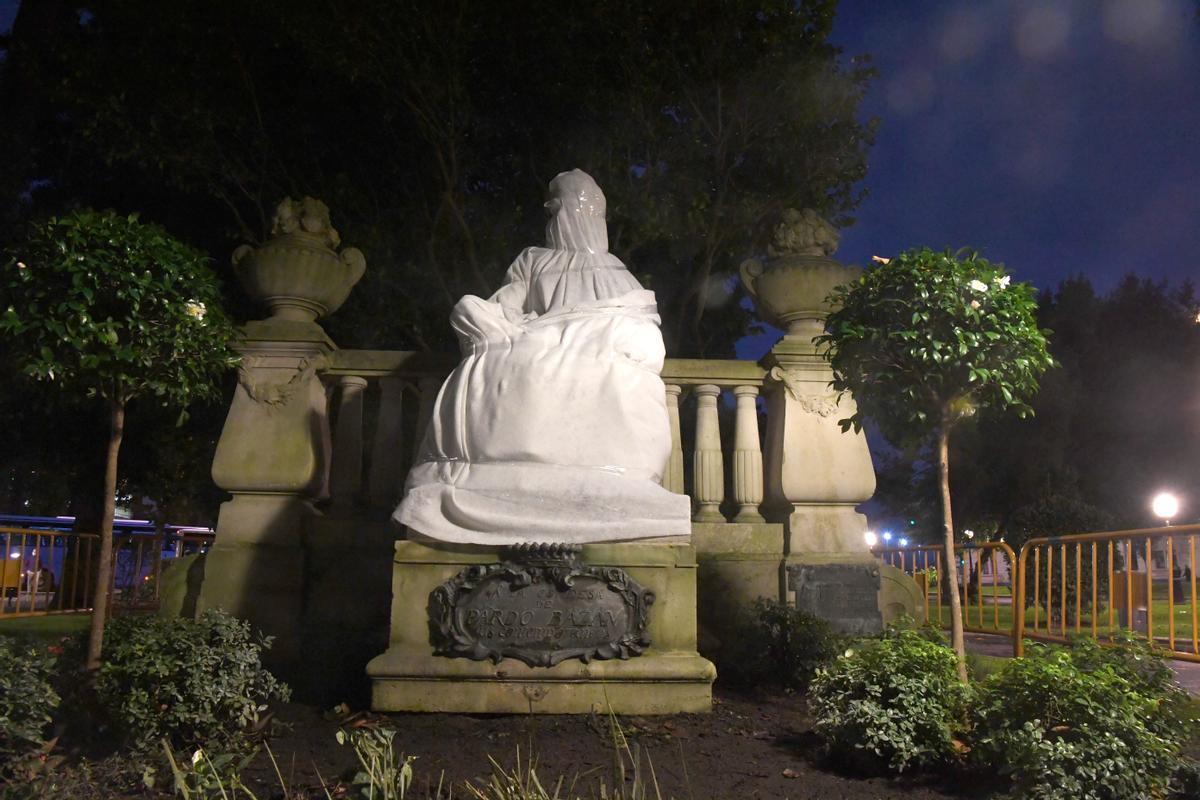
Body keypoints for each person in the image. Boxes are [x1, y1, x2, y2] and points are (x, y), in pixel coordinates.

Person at [395, 169, 691, 544]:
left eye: (563, 209)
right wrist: (509, 321)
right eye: (555, 211)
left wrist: (590, 327)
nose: (560, 219)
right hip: (537, 335)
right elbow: (506, 306)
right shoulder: (533, 260)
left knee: (629, 343)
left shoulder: (615, 269)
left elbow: (638, 317)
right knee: (514, 346)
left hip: (586, 337)